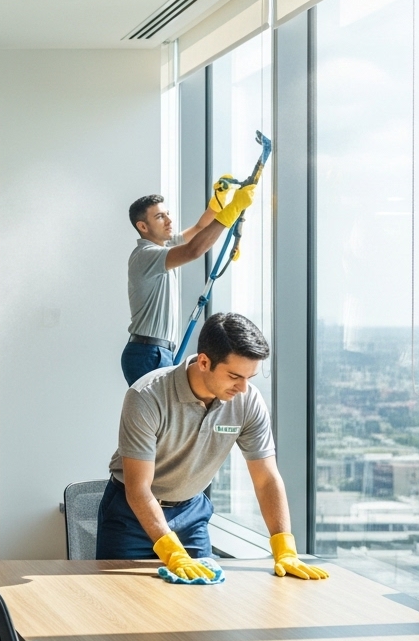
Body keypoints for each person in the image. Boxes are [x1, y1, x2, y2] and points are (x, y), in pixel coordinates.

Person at [97, 312, 329, 583]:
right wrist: (173, 554)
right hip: (130, 515)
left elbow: (266, 479)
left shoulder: (247, 401)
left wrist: (284, 548)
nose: (243, 388)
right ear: (204, 362)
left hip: (191, 512)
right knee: (120, 600)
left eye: (249, 378)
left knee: (201, 603)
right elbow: (138, 490)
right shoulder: (147, 397)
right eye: (234, 376)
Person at [123, 180, 257, 386]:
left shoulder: (165, 246)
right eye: (160, 217)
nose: (168, 220)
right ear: (143, 226)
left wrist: (217, 204)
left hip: (158, 352)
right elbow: (193, 250)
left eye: (167, 213)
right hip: (148, 354)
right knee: (162, 417)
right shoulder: (146, 255)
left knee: (168, 416)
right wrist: (232, 210)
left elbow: (200, 229)